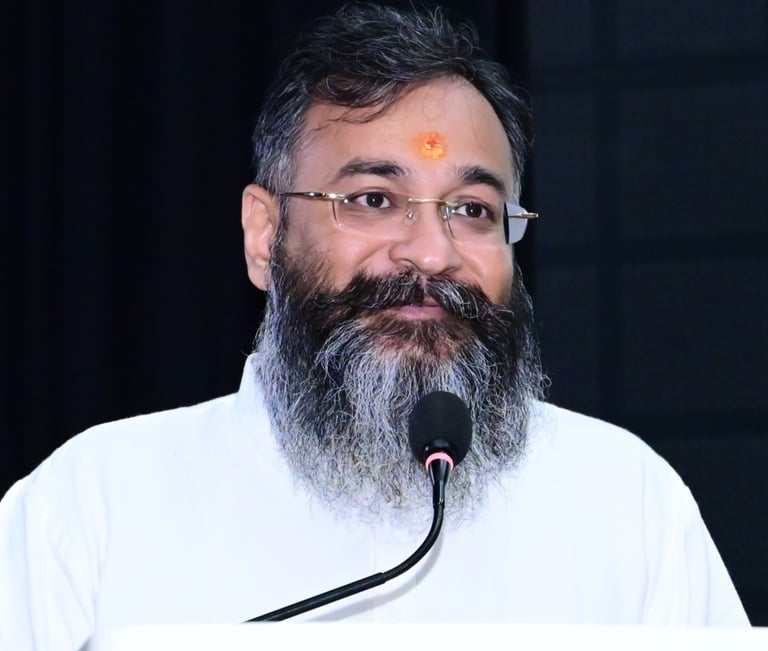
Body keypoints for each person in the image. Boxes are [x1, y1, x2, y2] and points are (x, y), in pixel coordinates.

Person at [0, 3, 749, 649]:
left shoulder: (624, 502)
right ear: (265, 234)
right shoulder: (91, 510)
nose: (431, 252)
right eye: (372, 200)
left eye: (472, 210)